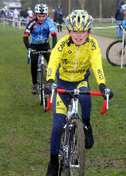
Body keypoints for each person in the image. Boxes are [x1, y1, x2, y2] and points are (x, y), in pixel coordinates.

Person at [44, 10, 113, 176]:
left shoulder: (93, 44)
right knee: (58, 126)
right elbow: (53, 62)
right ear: (69, 31)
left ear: (89, 32)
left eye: (83, 31)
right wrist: (50, 81)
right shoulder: (62, 43)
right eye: (75, 31)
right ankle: (53, 162)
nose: (79, 35)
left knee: (85, 95)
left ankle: (87, 126)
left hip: (81, 80)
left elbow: (97, 65)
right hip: (61, 84)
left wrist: (103, 86)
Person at [23, 4, 57, 94]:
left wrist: (54, 47)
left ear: (46, 15)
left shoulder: (49, 22)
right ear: (36, 15)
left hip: (45, 45)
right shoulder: (32, 23)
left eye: (43, 16)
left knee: (51, 62)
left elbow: (54, 35)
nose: (41, 18)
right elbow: (25, 36)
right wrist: (28, 46)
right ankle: (34, 84)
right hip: (34, 46)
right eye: (39, 16)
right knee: (33, 63)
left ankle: (51, 82)